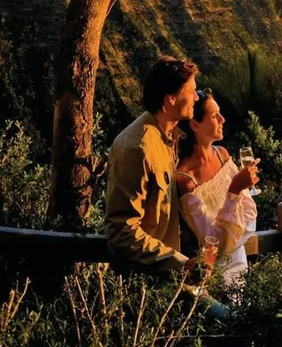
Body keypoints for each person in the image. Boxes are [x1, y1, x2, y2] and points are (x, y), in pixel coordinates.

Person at [105, 56, 200, 275]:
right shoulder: (137, 148)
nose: (196, 97)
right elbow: (122, 230)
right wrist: (179, 263)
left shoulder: (170, 137)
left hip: (169, 273)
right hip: (146, 279)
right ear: (171, 99)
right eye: (191, 91)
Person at [175, 89, 259, 286]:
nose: (222, 119)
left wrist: (241, 188)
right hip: (217, 273)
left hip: (240, 259)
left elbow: (249, 217)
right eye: (214, 115)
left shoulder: (222, 154)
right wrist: (235, 190)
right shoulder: (186, 179)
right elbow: (212, 244)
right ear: (195, 124)